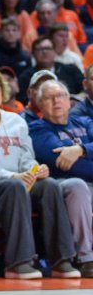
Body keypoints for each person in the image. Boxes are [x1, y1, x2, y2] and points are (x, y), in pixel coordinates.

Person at [0, 67, 80, 279]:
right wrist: (11, 176)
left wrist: (35, 169)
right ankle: (18, 262)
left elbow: (26, 156)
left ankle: (61, 260)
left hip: (19, 179)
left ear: (2, 91)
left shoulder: (16, 121)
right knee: (14, 187)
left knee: (49, 185)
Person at [28, 80, 93, 278]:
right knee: (78, 186)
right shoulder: (37, 129)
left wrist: (80, 149)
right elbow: (63, 163)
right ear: (40, 105)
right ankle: (86, 258)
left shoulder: (85, 122)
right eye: (49, 98)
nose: (56, 101)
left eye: (61, 96)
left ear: (69, 101)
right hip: (60, 183)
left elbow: (75, 159)